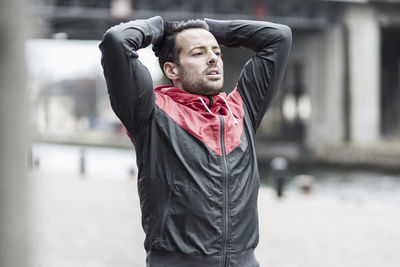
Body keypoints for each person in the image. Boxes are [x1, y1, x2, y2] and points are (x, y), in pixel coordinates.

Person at [99, 16, 291, 267]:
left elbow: (279, 37)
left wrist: (208, 27)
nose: (213, 58)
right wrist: (159, 27)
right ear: (171, 70)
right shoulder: (150, 113)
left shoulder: (242, 110)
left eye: (216, 52)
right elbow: (116, 41)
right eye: (198, 53)